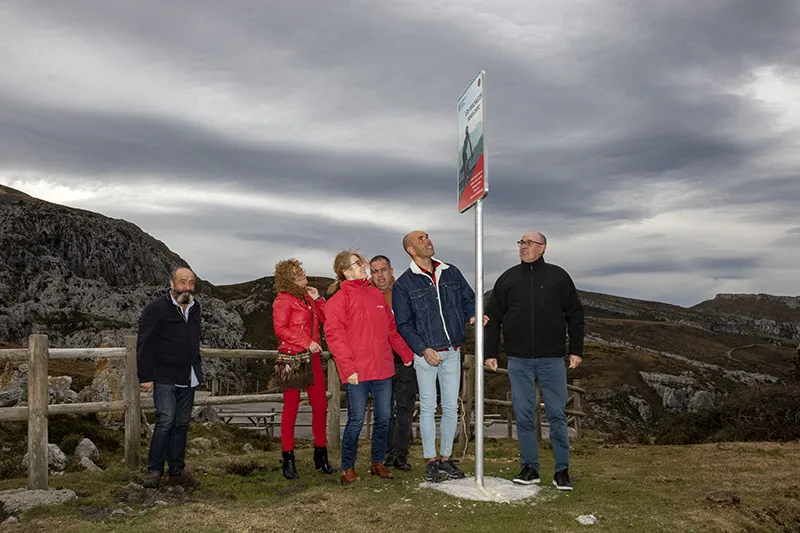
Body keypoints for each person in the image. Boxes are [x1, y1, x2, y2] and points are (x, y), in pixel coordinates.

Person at [484, 232, 584, 491]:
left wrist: (576, 350)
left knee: (556, 415)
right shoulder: (507, 279)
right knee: (524, 415)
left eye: (529, 243)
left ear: (543, 248)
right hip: (518, 360)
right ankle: (530, 468)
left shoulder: (558, 276)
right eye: (521, 243)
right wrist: (490, 353)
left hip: (552, 359)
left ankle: (562, 471)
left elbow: (574, 314)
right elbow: (492, 317)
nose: (523, 247)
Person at [392, 231, 478, 483]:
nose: (428, 241)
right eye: (421, 239)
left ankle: (446, 458)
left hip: (452, 351)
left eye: (427, 237)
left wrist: (473, 315)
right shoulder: (404, 284)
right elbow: (404, 324)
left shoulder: (451, 272)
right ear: (410, 250)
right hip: (426, 354)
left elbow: (469, 299)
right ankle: (430, 461)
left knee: (451, 406)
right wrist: (423, 349)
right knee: (428, 406)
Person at [324, 250, 414, 484]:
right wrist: (348, 367)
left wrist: (405, 353)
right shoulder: (338, 301)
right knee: (356, 420)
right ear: (346, 271)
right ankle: (347, 468)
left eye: (362, 262)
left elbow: (390, 330)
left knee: (384, 418)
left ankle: (377, 463)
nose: (364, 266)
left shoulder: (376, 296)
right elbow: (334, 336)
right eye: (358, 263)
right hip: (357, 372)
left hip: (383, 369)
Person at [137, 266, 203, 489]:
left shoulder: (195, 308)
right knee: (165, 422)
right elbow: (145, 343)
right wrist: (145, 376)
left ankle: (176, 472)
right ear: (172, 283)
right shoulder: (156, 309)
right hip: (165, 376)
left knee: (182, 424)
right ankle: (154, 472)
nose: (187, 287)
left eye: (191, 283)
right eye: (183, 282)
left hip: (189, 375)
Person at [272, 259, 334, 479]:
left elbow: (328, 320)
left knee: (320, 407)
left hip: (313, 358)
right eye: (295, 272)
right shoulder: (282, 300)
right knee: (291, 409)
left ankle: (321, 455)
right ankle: (288, 459)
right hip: (291, 358)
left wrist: (319, 300)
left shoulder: (308, 297)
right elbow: (280, 328)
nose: (301, 273)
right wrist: (306, 341)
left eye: (300, 269)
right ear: (287, 278)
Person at [370, 255, 416, 471]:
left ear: (391, 269)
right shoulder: (368, 296)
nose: (380, 275)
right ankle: (385, 454)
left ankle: (400, 455)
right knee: (384, 411)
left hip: (405, 359)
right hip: (380, 360)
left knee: (405, 409)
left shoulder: (403, 292)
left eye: (383, 270)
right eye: (375, 271)